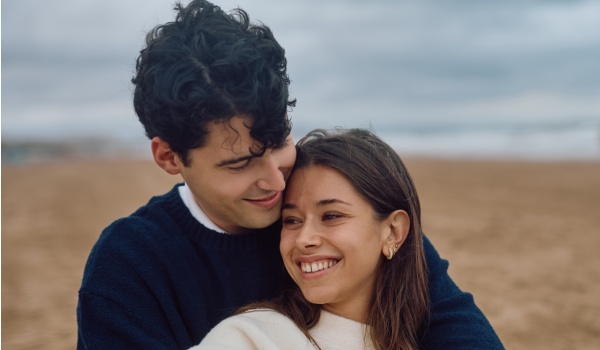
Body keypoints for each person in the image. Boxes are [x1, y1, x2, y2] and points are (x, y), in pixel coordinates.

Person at [76, 1, 504, 349]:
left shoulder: (328, 196)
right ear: (169, 157)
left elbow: (458, 328)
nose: (278, 182)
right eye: (240, 163)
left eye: (278, 142)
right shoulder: (128, 265)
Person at [192, 128, 429, 349]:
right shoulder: (249, 338)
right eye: (292, 220)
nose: (304, 239)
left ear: (393, 232)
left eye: (332, 216)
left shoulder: (425, 337)